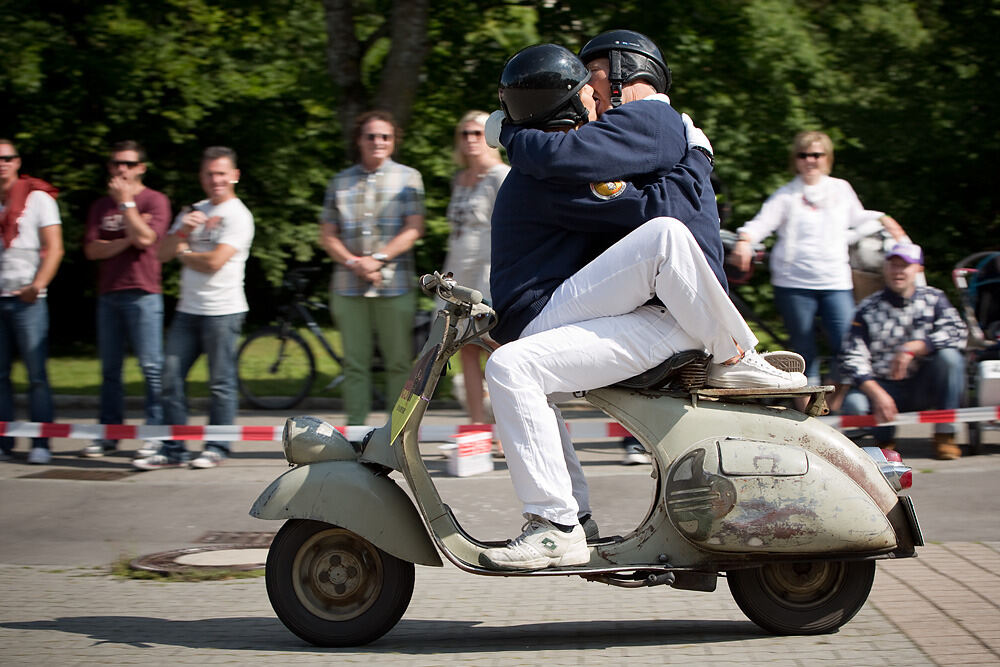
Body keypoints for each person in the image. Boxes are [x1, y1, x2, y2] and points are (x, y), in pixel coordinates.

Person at [480, 43, 805, 571]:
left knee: (517, 367)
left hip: (639, 316)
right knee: (660, 239)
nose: (597, 98)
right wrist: (697, 157)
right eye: (586, 88)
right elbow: (659, 206)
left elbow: (649, 205)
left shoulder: (555, 158)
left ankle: (561, 523)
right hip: (588, 313)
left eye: (598, 82)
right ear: (565, 103)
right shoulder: (555, 165)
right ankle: (563, 522)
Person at [729, 131, 909, 386]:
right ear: (796, 159)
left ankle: (840, 405)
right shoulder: (787, 194)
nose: (810, 160)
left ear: (827, 158)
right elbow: (761, 223)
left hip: (835, 282)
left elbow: (859, 217)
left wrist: (884, 219)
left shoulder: (840, 188)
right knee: (803, 353)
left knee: (847, 344)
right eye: (803, 155)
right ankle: (807, 412)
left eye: (816, 154)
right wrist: (745, 241)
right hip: (793, 284)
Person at [133, 146, 254, 470]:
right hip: (189, 310)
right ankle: (174, 447)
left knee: (220, 383)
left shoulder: (239, 216)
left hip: (224, 310)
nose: (216, 179)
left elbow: (214, 261)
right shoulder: (192, 211)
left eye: (222, 173)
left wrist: (184, 252)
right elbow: (162, 253)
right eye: (210, 174)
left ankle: (217, 445)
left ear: (234, 176)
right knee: (169, 377)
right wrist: (184, 231)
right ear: (202, 177)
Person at [320, 110, 425, 426]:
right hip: (348, 286)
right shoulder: (340, 182)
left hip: (394, 285)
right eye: (371, 136)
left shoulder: (409, 178)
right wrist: (355, 262)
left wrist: (377, 259)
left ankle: (398, 433)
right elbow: (327, 234)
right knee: (354, 364)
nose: (378, 142)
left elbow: (414, 228)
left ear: (393, 142)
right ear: (359, 140)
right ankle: (356, 433)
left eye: (385, 136)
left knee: (398, 363)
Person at [82, 140, 170, 459]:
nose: (122, 169)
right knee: (109, 371)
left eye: (129, 164)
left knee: (151, 368)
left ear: (141, 168)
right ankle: (109, 434)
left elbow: (147, 239)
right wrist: (127, 240)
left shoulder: (155, 200)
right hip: (109, 294)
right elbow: (92, 250)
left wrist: (126, 204)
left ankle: (155, 435)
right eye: (117, 163)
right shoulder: (99, 206)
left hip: (144, 293)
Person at [839, 242, 967, 460]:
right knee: (854, 402)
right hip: (883, 386)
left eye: (905, 266)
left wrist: (916, 347)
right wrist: (876, 392)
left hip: (922, 384)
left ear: (918, 269)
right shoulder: (867, 307)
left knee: (950, 358)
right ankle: (883, 442)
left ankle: (945, 435)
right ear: (885, 269)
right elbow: (851, 356)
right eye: (893, 265)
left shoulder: (935, 298)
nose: (898, 271)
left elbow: (958, 332)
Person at [443, 111, 510, 428]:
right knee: (465, 352)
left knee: (495, 352)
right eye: (465, 133)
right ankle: (477, 429)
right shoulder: (459, 179)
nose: (470, 139)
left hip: (489, 276)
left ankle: (504, 430)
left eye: (477, 133)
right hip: (458, 277)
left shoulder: (501, 175)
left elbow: (512, 229)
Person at [0, 140, 63, 465]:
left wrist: (37, 286)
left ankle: (42, 442)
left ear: (17, 162)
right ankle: (4, 440)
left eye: (7, 158)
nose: (2, 163)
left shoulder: (37, 199)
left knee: (36, 375)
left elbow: (55, 248)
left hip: (28, 299)